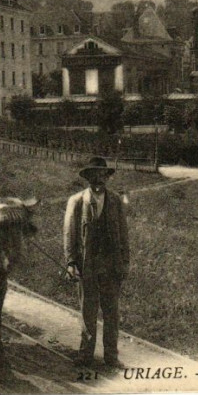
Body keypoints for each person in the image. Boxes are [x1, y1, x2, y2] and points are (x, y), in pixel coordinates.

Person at [63, 156, 129, 368]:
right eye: (94, 175)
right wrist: (71, 263)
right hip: (88, 265)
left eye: (102, 175)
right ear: (88, 177)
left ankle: (111, 356)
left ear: (107, 177)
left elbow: (123, 234)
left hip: (111, 266)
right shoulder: (77, 201)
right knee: (88, 312)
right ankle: (85, 355)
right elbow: (69, 234)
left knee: (112, 313)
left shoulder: (116, 201)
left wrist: (125, 262)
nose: (98, 179)